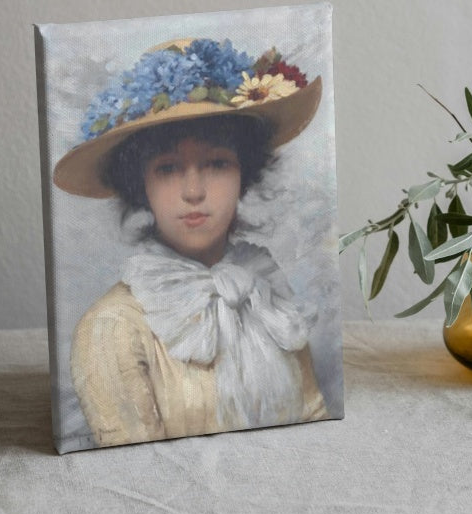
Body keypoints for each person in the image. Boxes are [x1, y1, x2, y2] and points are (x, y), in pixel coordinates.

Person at [53, 36, 330, 448]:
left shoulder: (262, 292)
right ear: (139, 185)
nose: (194, 191)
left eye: (217, 164)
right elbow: (135, 472)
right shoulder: (112, 327)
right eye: (167, 168)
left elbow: (314, 421)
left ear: (243, 176)